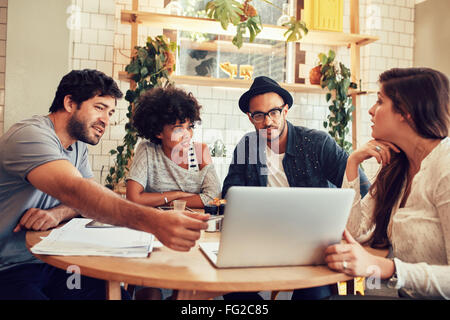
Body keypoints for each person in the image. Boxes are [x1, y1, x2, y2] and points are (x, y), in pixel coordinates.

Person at [0, 69, 209, 300]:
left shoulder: (77, 146)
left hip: (52, 261)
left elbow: (82, 201)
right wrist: (155, 221)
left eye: (110, 112)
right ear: (69, 103)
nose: (106, 120)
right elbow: (77, 192)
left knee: (117, 297)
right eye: (99, 108)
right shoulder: (30, 136)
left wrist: (58, 213)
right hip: (10, 268)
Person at [222, 76, 370, 300]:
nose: (268, 121)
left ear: (285, 111)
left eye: (274, 112)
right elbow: (230, 195)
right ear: (250, 118)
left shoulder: (317, 143)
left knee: (315, 294)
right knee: (232, 290)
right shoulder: (248, 145)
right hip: (260, 239)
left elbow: (360, 187)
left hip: (313, 245)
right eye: (259, 115)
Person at [324, 67, 450, 299]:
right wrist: (352, 162)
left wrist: (387, 268)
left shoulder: (446, 165)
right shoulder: (398, 167)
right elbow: (356, 233)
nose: (371, 110)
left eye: (380, 101)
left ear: (406, 112)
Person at [126, 86, 221, 209]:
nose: (187, 135)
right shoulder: (148, 150)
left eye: (189, 127)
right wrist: (176, 194)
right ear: (159, 132)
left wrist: (169, 202)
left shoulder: (200, 151)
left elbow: (213, 198)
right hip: (155, 221)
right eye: (179, 129)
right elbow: (133, 198)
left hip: (191, 222)